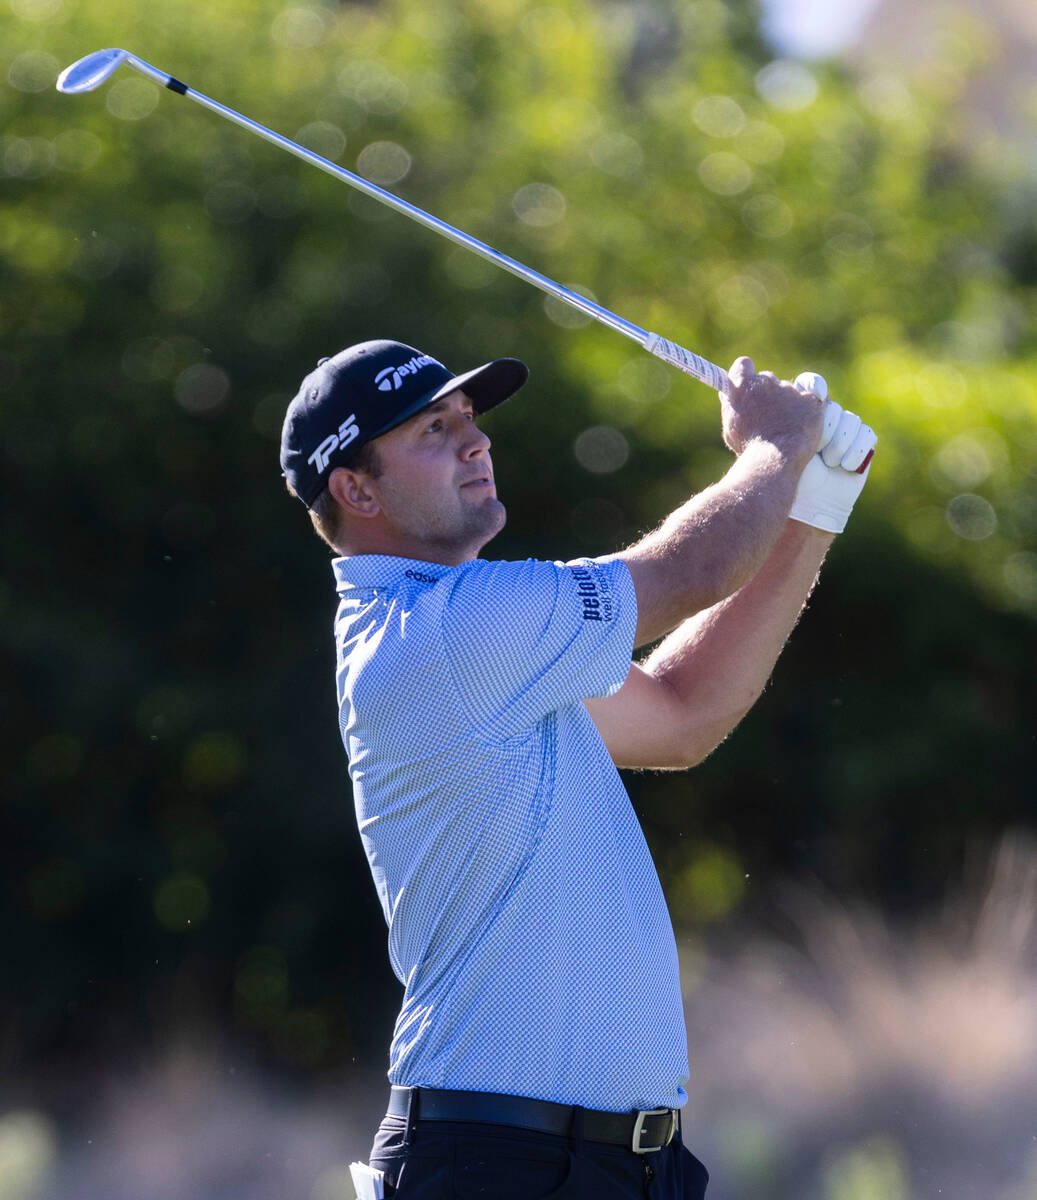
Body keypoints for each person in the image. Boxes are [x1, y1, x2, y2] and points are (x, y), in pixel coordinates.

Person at [280, 338, 876, 1200]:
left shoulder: (490, 645)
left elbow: (682, 716)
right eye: (432, 429)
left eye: (470, 421)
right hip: (499, 1161)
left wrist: (811, 510)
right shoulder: (443, 637)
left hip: (620, 1165)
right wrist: (774, 445)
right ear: (356, 488)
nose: (474, 441)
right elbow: (693, 569)